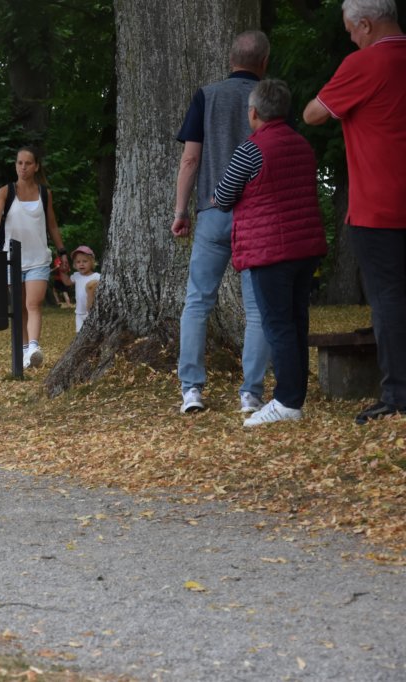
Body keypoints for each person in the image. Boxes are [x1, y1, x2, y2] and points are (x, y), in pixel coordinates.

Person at [303, 0, 406, 425]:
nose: (350, 39)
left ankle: (398, 395)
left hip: (380, 204)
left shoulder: (364, 64)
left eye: (350, 31)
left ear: (365, 24)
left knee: (389, 299)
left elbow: (313, 114)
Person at [211, 79, 329, 427]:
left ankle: (287, 402)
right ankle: (294, 395)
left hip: (270, 250)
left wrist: (215, 197)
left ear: (254, 113)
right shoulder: (302, 145)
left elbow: (224, 195)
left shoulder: (251, 150)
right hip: (305, 246)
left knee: (278, 325)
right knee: (297, 321)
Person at [172, 30, 273, 415]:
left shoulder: (207, 96)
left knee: (198, 301)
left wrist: (181, 211)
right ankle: (250, 394)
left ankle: (192, 390)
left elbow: (190, 159)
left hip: (212, 212)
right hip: (256, 216)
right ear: (264, 62)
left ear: (230, 59)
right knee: (257, 309)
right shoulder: (269, 98)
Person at [0, 146, 68, 369]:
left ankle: (33, 347)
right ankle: (23, 352)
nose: (23, 167)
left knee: (33, 303)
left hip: (38, 258)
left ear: (36, 166)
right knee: (19, 307)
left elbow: (52, 225)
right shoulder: (6, 191)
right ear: (15, 165)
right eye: (19, 163)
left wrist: (62, 252)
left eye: (28, 163)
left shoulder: (44, 194)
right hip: (12, 259)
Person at [61, 246, 101, 332]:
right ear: (75, 265)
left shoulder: (97, 276)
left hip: (92, 312)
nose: (81, 264)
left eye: (85, 261)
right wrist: (63, 272)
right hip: (79, 313)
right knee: (79, 332)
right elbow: (67, 282)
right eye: (78, 262)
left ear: (92, 262)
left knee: (93, 332)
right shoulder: (76, 276)